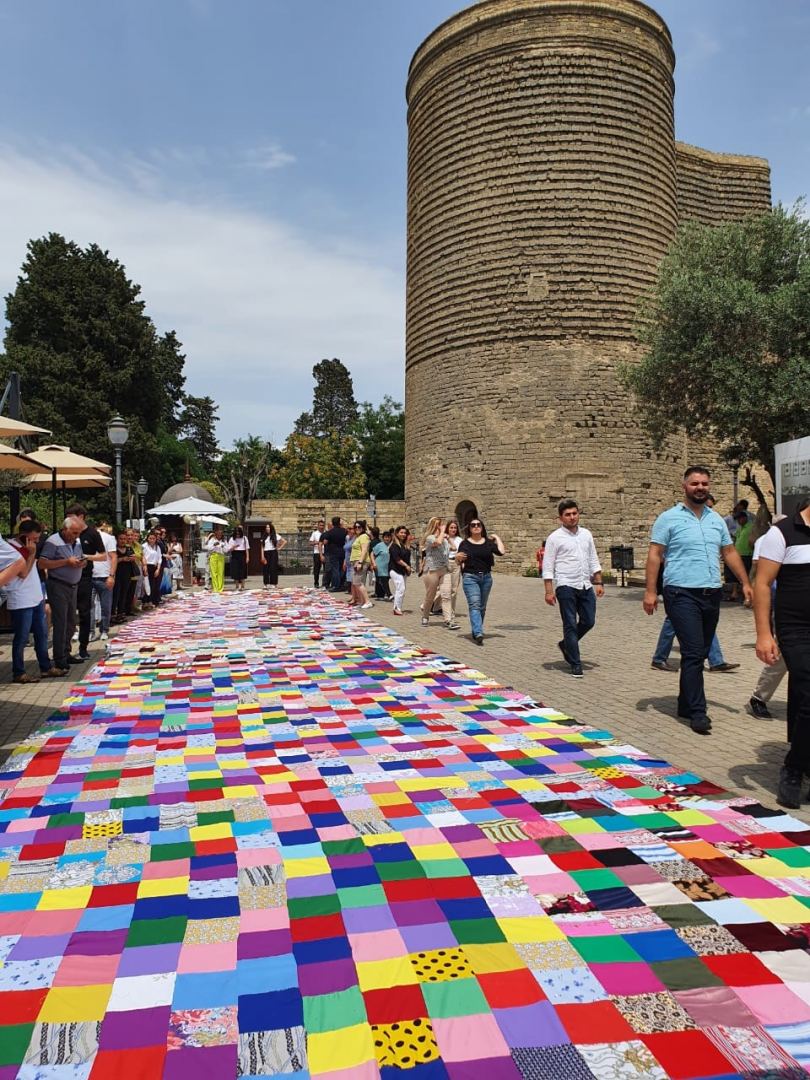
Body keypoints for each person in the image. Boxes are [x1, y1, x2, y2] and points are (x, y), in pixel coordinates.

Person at [643, 466, 752, 736]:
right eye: (695, 483)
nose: (700, 487)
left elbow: (728, 552)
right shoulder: (668, 518)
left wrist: (746, 583)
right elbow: (655, 554)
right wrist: (649, 591)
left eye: (704, 483)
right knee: (693, 653)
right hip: (681, 593)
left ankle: (684, 702)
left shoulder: (716, 520)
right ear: (684, 486)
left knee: (700, 652)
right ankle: (698, 711)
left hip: (711, 593)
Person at [753, 498, 810, 808]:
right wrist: (764, 634)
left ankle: (804, 763)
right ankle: (793, 768)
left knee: (804, 697)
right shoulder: (782, 533)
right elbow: (762, 584)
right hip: (796, 629)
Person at [542, 500, 603, 676]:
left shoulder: (586, 534)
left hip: (585, 584)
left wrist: (598, 582)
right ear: (560, 517)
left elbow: (593, 558)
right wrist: (548, 591)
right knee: (569, 623)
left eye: (574, 513)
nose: (572, 517)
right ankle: (575, 663)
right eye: (568, 514)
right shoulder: (554, 538)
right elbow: (548, 566)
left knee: (589, 621)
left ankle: (565, 644)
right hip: (565, 585)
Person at [2, 520, 64, 682]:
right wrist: (31, 554)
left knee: (42, 634)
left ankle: (46, 667)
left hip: (36, 597)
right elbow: (23, 572)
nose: (36, 541)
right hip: (21, 598)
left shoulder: (29, 547)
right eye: (34, 538)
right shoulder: (11, 549)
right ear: (24, 536)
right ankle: (19, 671)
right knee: (22, 638)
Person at [39, 514, 86, 672]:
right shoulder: (53, 541)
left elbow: (77, 557)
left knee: (71, 621)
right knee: (61, 622)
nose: (76, 536)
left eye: (78, 533)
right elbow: (42, 562)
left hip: (73, 585)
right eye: (74, 533)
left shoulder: (76, 541)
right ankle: (59, 658)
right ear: (65, 529)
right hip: (58, 585)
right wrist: (66, 562)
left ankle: (66, 652)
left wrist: (82, 562)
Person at [457, 518, 505, 645]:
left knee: (482, 607)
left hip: (486, 578)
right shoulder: (465, 544)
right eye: (473, 525)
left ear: (482, 527)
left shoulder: (488, 543)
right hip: (470, 577)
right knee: (475, 605)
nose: (476, 527)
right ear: (470, 528)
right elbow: (459, 561)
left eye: (478, 525)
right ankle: (478, 632)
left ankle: (476, 629)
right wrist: (458, 558)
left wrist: (497, 538)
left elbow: (501, 552)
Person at [72, 506, 107, 662]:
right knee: (68, 614)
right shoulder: (67, 532)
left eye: (72, 517)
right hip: (68, 578)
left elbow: (103, 556)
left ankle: (83, 647)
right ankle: (65, 649)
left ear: (81, 517)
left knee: (85, 612)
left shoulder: (92, 534)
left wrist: (86, 557)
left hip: (85, 577)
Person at [91, 521, 118, 642]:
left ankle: (104, 629)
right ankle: (90, 631)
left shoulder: (108, 538)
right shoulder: (82, 538)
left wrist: (111, 575)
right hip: (89, 576)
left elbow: (113, 557)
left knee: (105, 606)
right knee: (88, 606)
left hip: (104, 576)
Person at [420, 517, 449, 626]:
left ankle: (449, 620)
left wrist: (448, 538)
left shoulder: (444, 539)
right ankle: (425, 616)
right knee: (430, 596)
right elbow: (437, 542)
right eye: (439, 526)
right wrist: (442, 533)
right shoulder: (429, 538)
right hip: (432, 570)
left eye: (441, 525)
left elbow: (454, 548)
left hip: (444, 569)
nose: (441, 528)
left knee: (446, 594)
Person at [439, 519, 461, 628]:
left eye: (455, 528)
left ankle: (451, 613)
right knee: (443, 590)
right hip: (445, 563)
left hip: (456, 563)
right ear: (448, 528)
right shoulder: (443, 538)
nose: (453, 529)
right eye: (451, 527)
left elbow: (459, 552)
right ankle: (427, 605)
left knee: (454, 590)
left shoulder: (459, 540)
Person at [388, 525, 412, 616]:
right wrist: (406, 566)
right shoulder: (394, 545)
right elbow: (397, 559)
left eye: (405, 533)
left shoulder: (404, 545)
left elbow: (407, 559)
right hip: (395, 569)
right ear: (397, 533)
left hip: (403, 570)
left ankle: (397, 607)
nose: (403, 534)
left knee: (401, 589)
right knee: (400, 588)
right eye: (401, 532)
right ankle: (396, 608)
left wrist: (408, 568)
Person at [112, 529, 135, 623]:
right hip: (117, 574)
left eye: (124, 539)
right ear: (117, 539)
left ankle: (121, 613)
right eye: (121, 539)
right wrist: (122, 559)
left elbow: (134, 557)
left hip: (127, 574)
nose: (123, 541)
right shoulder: (114, 549)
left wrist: (132, 558)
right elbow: (112, 561)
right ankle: (113, 614)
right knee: (115, 595)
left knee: (124, 594)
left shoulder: (129, 548)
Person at [349, 520, 373, 609]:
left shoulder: (363, 537)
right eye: (355, 527)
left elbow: (364, 550)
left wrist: (360, 562)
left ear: (363, 528)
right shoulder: (358, 537)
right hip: (356, 561)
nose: (357, 529)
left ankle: (367, 601)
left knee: (357, 582)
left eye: (359, 527)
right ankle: (362, 602)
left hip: (360, 561)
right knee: (359, 582)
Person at [320, 516, 348, 592]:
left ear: (333, 523)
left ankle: (336, 585)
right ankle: (342, 584)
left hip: (333, 553)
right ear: (339, 523)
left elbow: (325, 542)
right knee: (341, 569)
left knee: (335, 569)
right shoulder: (344, 531)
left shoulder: (330, 532)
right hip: (342, 551)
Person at [259, 522, 286, 589]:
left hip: (273, 552)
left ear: (271, 528)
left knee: (273, 568)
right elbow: (262, 547)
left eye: (268, 527)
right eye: (266, 527)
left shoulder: (275, 535)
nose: (267, 528)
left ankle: (273, 583)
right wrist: (262, 556)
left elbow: (284, 541)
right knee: (265, 569)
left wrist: (279, 548)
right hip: (266, 553)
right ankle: (266, 583)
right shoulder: (264, 536)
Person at [143, 530, 165, 604]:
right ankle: (146, 601)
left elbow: (159, 558)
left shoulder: (157, 547)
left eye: (153, 538)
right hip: (146, 566)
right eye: (150, 538)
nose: (152, 540)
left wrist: (158, 569)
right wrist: (144, 566)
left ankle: (153, 601)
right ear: (147, 539)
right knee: (147, 585)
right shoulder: (144, 546)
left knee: (154, 585)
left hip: (154, 567)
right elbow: (143, 557)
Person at [370, 528, 391, 599]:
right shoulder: (380, 545)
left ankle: (380, 595)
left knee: (382, 580)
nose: (387, 539)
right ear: (383, 538)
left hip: (387, 566)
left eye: (388, 537)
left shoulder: (391, 545)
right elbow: (372, 554)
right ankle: (389, 594)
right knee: (383, 580)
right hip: (379, 566)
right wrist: (373, 563)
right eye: (385, 537)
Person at [228, 526, 249, 591]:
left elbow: (247, 548)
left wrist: (247, 557)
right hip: (235, 555)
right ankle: (237, 586)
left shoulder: (244, 538)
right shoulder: (232, 539)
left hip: (242, 555)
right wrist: (233, 547)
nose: (238, 534)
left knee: (242, 570)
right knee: (235, 571)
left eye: (239, 533)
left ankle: (242, 586)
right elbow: (229, 550)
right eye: (236, 533)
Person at [309, 519, 325, 588]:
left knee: (326, 569)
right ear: (318, 526)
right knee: (317, 569)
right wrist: (317, 542)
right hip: (317, 553)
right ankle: (316, 583)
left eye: (323, 525)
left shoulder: (326, 533)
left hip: (325, 552)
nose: (321, 527)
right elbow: (310, 542)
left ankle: (325, 583)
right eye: (320, 525)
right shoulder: (314, 533)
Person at [343, 526, 355, 596]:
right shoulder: (347, 538)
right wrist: (344, 561)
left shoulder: (356, 539)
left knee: (353, 579)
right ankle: (352, 595)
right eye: (348, 529)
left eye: (351, 529)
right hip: (348, 561)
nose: (349, 530)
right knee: (349, 578)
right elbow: (346, 551)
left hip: (353, 561)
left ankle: (355, 596)